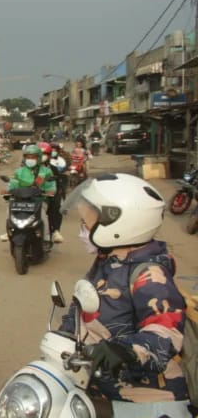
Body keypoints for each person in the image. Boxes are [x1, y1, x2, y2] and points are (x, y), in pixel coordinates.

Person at [60, 173, 191, 417]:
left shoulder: (149, 275)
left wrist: (125, 349)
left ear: (120, 225)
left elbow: (166, 333)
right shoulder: (109, 261)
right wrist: (63, 336)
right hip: (100, 383)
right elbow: (84, 307)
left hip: (144, 397)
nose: (83, 227)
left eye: (89, 220)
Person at [0, 144, 56, 248]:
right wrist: (7, 190)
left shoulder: (46, 171)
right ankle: (9, 233)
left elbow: (51, 184)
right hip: (20, 200)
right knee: (9, 210)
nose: (30, 159)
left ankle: (46, 238)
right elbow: (13, 183)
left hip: (38, 200)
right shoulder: (19, 171)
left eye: (33, 157)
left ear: (38, 158)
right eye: (28, 157)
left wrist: (50, 191)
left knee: (43, 215)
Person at [39, 142, 64, 243]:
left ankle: (55, 231)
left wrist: (51, 192)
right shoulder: (25, 168)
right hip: (29, 195)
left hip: (46, 195)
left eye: (45, 154)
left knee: (57, 206)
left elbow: (55, 184)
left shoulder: (51, 169)